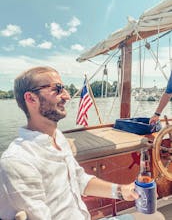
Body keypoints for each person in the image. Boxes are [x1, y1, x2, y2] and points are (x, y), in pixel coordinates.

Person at [0, 66, 164, 220]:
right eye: (57, 89)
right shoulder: (18, 162)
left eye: (64, 89)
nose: (67, 96)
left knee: (154, 216)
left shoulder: (57, 137)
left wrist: (122, 191)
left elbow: (79, 180)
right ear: (31, 98)